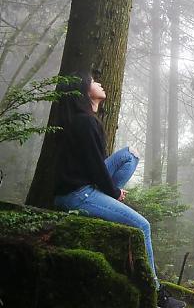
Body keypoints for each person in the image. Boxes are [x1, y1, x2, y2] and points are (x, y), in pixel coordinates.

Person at [52, 72, 185, 308]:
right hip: (76, 195)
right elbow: (95, 167)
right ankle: (157, 295)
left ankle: (106, 198)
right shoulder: (85, 121)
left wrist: (111, 190)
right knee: (143, 225)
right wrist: (113, 192)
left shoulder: (84, 120)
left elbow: (93, 166)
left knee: (129, 154)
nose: (100, 83)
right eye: (93, 81)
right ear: (84, 90)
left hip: (84, 188)